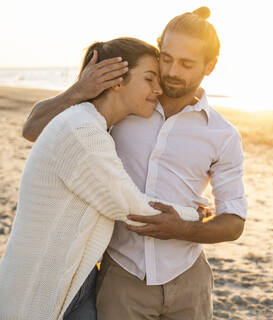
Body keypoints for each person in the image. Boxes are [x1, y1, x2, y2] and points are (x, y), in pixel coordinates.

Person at [22, 6, 247, 320]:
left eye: (186, 63)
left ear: (210, 66)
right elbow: (34, 130)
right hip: (121, 276)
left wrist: (182, 227)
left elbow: (234, 222)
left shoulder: (222, 134)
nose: (171, 72)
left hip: (188, 280)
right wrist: (80, 89)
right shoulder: (124, 105)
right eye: (166, 58)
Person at [0, 37, 202, 320]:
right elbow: (132, 209)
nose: (158, 89)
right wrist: (196, 215)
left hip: (78, 279)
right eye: (149, 79)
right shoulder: (83, 131)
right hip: (42, 288)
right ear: (116, 81)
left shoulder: (94, 125)